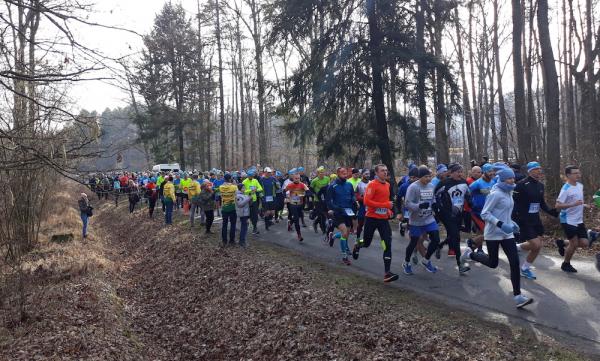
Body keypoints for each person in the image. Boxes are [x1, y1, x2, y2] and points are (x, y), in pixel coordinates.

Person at [461, 167, 534, 309]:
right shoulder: (495, 194)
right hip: (493, 233)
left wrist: (512, 223)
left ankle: (518, 297)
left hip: (507, 234)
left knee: (514, 263)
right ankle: (470, 254)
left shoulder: (508, 192)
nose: (512, 180)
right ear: (501, 179)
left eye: (513, 178)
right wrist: (500, 224)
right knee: (493, 263)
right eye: (509, 178)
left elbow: (504, 212)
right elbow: (485, 214)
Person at [352, 164, 399, 282]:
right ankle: (358, 245)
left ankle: (387, 273)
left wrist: (388, 210)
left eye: (386, 170)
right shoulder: (371, 185)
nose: (385, 172)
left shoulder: (387, 185)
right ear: (376, 173)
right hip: (371, 218)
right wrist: (385, 205)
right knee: (366, 243)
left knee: (387, 244)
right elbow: (367, 201)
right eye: (382, 171)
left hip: (383, 220)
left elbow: (385, 201)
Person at [512, 162, 559, 279]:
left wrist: (552, 212)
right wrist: (515, 218)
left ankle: (517, 248)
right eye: (536, 169)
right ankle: (525, 269)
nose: (539, 171)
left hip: (535, 219)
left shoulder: (540, 186)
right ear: (530, 171)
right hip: (523, 220)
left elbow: (541, 203)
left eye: (539, 169)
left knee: (538, 244)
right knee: (536, 245)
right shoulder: (521, 185)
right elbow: (513, 202)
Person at [555, 165, 597, 273]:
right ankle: (566, 264)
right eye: (575, 173)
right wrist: (573, 204)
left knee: (584, 243)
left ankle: (563, 243)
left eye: (579, 173)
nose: (578, 175)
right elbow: (558, 206)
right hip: (568, 220)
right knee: (573, 243)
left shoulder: (580, 185)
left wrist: (586, 205)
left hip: (578, 220)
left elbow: (579, 202)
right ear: (568, 175)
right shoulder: (565, 189)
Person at [402, 166, 441, 275]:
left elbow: (432, 199)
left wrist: (434, 204)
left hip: (429, 218)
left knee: (436, 239)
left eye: (429, 176)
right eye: (426, 177)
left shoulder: (431, 186)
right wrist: (419, 206)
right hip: (416, 220)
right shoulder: (413, 187)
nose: (428, 179)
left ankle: (426, 260)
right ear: (420, 177)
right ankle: (406, 262)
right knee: (414, 242)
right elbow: (407, 204)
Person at [434, 164, 471, 274]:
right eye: (457, 172)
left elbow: (468, 194)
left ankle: (439, 245)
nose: (460, 174)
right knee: (456, 237)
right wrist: (440, 210)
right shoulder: (444, 183)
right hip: (447, 214)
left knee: (453, 236)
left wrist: (470, 202)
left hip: (459, 213)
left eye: (461, 171)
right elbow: (435, 196)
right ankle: (460, 265)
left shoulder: (464, 182)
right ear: (451, 172)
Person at [327, 167, 356, 265]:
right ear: (338, 173)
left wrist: (353, 200)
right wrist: (337, 208)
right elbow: (329, 201)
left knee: (346, 233)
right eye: (343, 172)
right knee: (344, 233)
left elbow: (353, 195)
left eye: (346, 172)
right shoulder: (332, 186)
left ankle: (333, 236)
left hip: (348, 212)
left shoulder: (349, 184)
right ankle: (344, 256)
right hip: (338, 213)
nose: (345, 174)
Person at [467, 163, 496, 253]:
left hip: (489, 211)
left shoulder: (493, 182)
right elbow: (467, 193)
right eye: (489, 171)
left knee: (481, 232)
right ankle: (472, 244)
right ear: (484, 172)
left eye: (492, 171)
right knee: (486, 232)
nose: (491, 173)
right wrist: (471, 203)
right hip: (477, 212)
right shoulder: (477, 183)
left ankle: (475, 249)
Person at [285, 173, 309, 242]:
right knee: (297, 220)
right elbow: (283, 191)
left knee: (298, 216)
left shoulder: (302, 184)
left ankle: (290, 223)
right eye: (296, 178)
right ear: (293, 178)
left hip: (300, 204)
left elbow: (308, 192)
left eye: (298, 178)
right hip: (292, 204)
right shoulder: (290, 185)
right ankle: (299, 235)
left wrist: (304, 194)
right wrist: (285, 197)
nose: (297, 179)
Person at [310, 166, 330, 234]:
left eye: (323, 172)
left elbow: (328, 187)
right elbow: (311, 189)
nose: (322, 174)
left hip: (325, 199)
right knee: (321, 214)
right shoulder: (314, 180)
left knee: (324, 214)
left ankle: (315, 223)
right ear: (318, 173)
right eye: (320, 173)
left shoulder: (327, 179)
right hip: (317, 200)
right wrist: (315, 194)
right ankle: (323, 229)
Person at [242, 169, 264, 235]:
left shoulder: (255, 180)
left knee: (255, 215)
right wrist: (250, 191)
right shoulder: (244, 182)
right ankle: (245, 228)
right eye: (250, 176)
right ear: (247, 176)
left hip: (254, 200)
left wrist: (256, 189)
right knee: (246, 215)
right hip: (247, 201)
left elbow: (260, 188)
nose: (251, 177)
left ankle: (255, 228)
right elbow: (243, 191)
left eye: (252, 176)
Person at [219, 173, 238, 246]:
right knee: (233, 224)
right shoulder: (234, 187)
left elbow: (221, 195)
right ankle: (232, 240)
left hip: (224, 207)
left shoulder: (221, 187)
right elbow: (236, 196)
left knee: (224, 224)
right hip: (232, 207)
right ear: (230, 179)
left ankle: (224, 241)